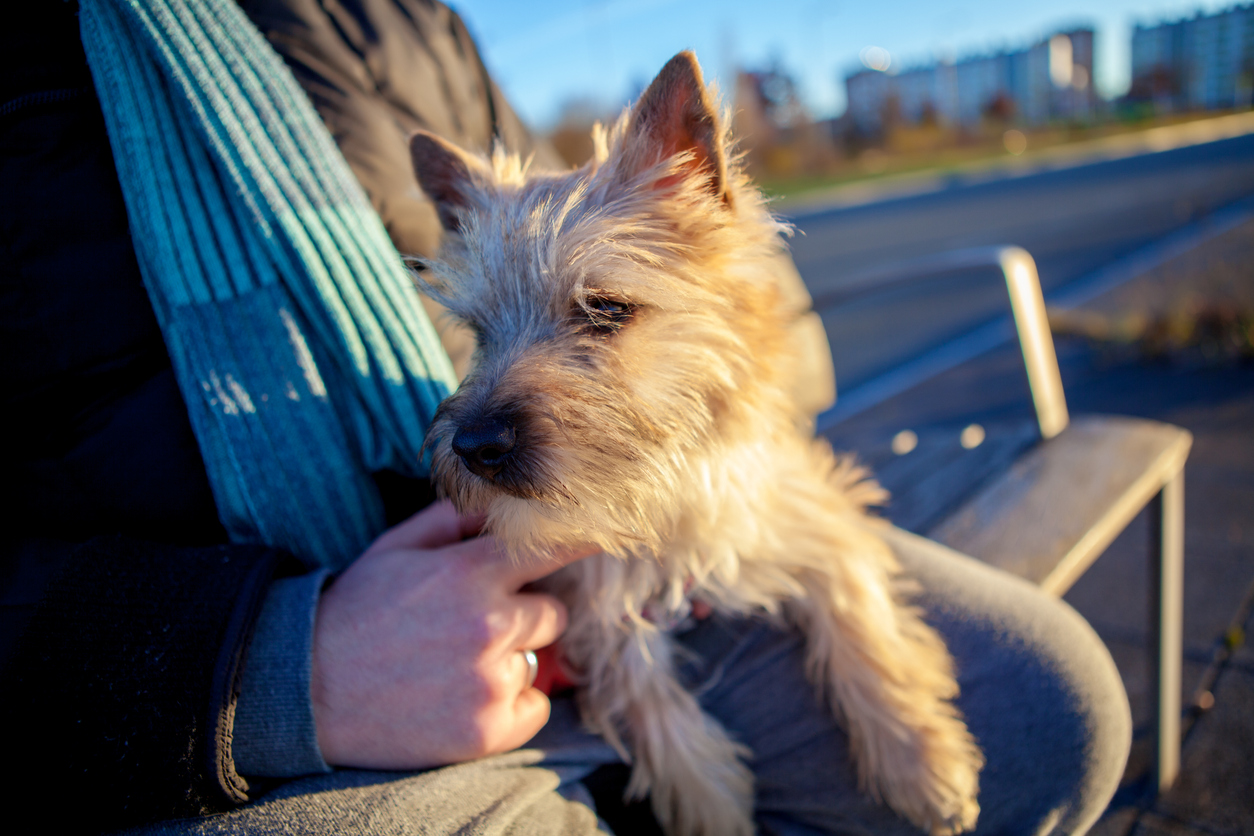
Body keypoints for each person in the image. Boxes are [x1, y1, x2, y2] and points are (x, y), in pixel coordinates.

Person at [0, 2, 1131, 834]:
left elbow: (791, 460)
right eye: (490, 336)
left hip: (569, 557)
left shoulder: (406, 21)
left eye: (600, 313)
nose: (495, 396)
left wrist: (881, 686)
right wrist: (280, 666)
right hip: (201, 694)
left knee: (1049, 706)